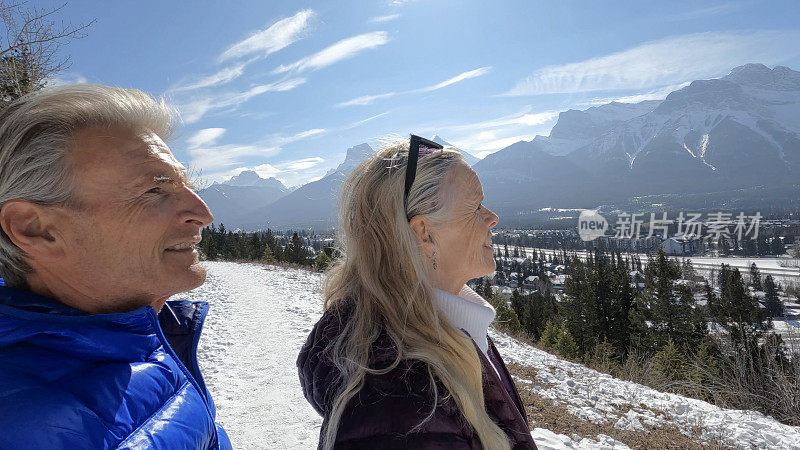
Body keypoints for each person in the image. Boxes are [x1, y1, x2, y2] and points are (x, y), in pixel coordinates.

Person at [0, 84, 232, 449]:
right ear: (36, 229)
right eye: (155, 190)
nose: (203, 214)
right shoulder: (23, 429)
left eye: (186, 185)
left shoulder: (145, 333)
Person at [298, 136, 537, 449]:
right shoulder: (404, 403)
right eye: (475, 207)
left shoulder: (447, 330)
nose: (492, 217)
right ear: (424, 232)